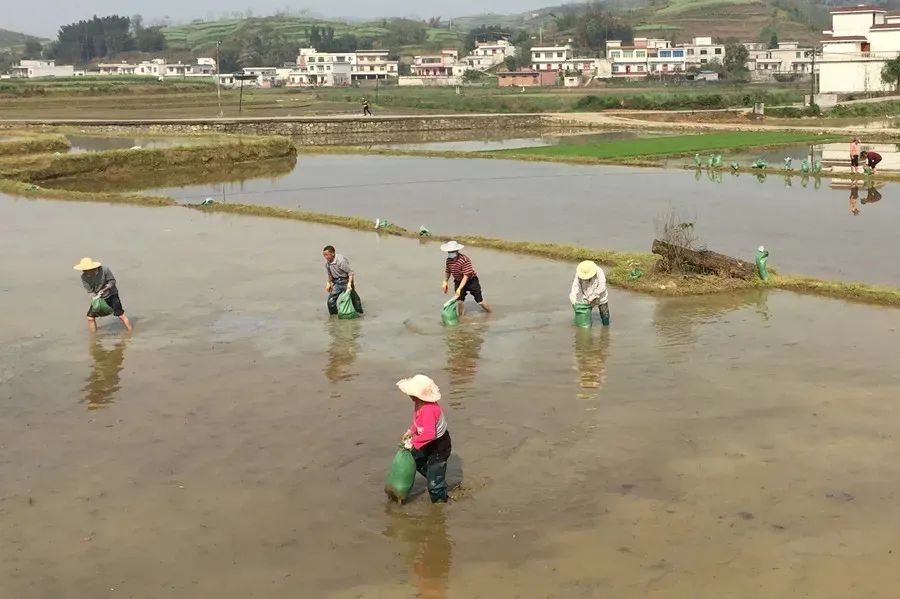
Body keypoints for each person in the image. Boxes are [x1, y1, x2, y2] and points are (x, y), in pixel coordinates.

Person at [398, 374, 451, 504]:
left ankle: (440, 502)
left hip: (439, 446)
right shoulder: (419, 403)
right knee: (416, 460)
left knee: (434, 486)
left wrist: (414, 442)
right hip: (427, 441)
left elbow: (429, 434)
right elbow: (418, 422)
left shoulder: (428, 409)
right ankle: (436, 478)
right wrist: (411, 431)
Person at [74, 257, 133, 332]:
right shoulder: (84, 277)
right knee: (90, 317)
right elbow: (89, 290)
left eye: (86, 270)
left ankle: (130, 333)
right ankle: (94, 339)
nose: (85, 272)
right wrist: (94, 298)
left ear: (92, 268)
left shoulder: (104, 270)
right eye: (84, 270)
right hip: (99, 298)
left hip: (112, 295)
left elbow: (112, 281)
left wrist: (105, 289)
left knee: (121, 315)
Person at [441, 241, 491, 317]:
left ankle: (490, 312)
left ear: (457, 251)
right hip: (458, 281)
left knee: (479, 300)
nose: (450, 253)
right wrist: (445, 281)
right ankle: (461, 318)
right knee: (459, 301)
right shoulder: (449, 260)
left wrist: (459, 288)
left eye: (452, 251)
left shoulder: (464, 260)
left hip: (471, 281)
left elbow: (466, 276)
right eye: (449, 251)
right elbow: (448, 271)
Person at [323, 245, 363, 316]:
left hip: (345, 281)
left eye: (327, 255)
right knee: (330, 301)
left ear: (332, 254)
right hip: (336, 283)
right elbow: (330, 274)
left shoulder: (341, 261)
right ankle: (333, 317)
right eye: (324, 255)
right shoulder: (327, 264)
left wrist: (349, 284)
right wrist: (328, 283)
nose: (325, 257)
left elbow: (350, 272)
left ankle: (360, 314)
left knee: (354, 299)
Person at [569, 260, 610, 326]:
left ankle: (606, 327)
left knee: (605, 314)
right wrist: (573, 298)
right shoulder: (579, 274)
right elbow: (575, 286)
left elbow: (602, 286)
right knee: (584, 314)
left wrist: (594, 295)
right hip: (587, 297)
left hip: (601, 296)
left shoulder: (599, 271)